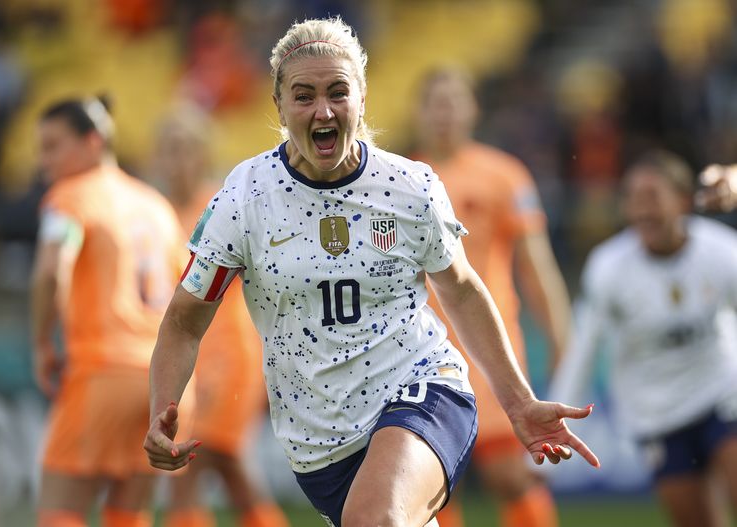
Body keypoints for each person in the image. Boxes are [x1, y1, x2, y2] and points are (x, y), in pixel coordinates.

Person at [144, 17, 599, 527]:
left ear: (362, 98)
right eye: (304, 96)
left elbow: (462, 290)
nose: (323, 110)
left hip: (421, 387)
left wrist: (518, 403)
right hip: (318, 442)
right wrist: (162, 406)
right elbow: (184, 320)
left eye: (338, 92)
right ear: (279, 106)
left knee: (377, 519)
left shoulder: (409, 186)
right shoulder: (244, 197)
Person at [411, 67, 571, 527]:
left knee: (510, 475)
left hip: (490, 343)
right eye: (435, 104)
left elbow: (537, 268)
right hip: (423, 348)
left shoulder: (505, 176)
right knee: (434, 483)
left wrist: (561, 338)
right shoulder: (402, 179)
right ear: (419, 113)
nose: (444, 114)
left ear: (473, 109)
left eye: (453, 102)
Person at [551, 150, 737, 527]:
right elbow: (584, 352)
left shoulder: (722, 251)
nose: (642, 209)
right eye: (633, 198)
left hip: (721, 394)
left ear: (682, 200)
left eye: (652, 196)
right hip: (656, 414)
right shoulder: (608, 267)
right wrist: (557, 424)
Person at [30, 96, 190, 527]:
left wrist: (43, 342)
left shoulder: (70, 197)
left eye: (52, 146)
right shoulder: (156, 205)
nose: (43, 161)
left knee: (59, 509)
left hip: (103, 371)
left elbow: (51, 271)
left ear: (93, 141)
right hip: (161, 380)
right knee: (127, 515)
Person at [150, 107, 289, 527]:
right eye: (168, 150)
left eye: (185, 149)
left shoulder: (221, 207)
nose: (177, 160)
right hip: (190, 359)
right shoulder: (155, 212)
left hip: (228, 357)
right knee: (231, 471)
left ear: (202, 154)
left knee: (189, 471)